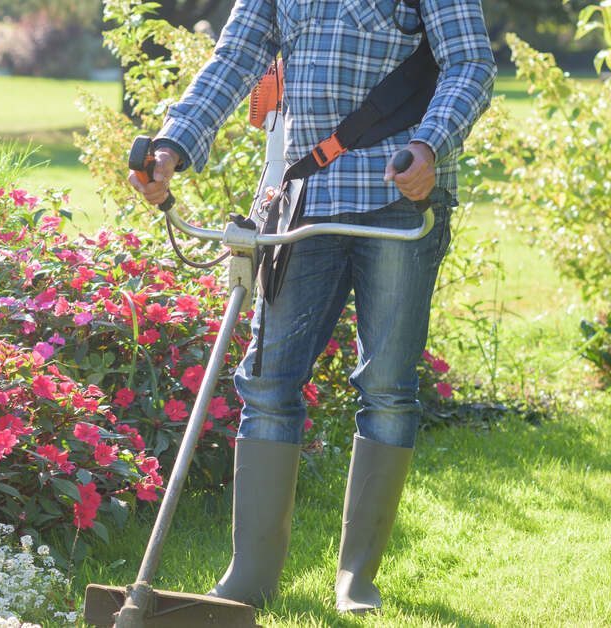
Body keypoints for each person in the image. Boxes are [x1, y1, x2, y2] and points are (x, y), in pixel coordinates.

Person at [128, 0, 494, 615]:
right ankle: (250, 578)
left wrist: (431, 145)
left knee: (386, 386)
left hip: (399, 201)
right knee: (269, 382)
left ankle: (356, 579)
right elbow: (235, 58)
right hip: (303, 201)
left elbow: (470, 63)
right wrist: (172, 146)